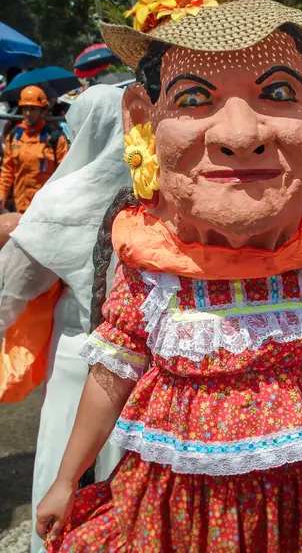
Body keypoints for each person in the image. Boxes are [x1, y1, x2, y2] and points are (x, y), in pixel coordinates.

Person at [35, 0, 302, 553]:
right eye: (194, 98)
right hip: (178, 502)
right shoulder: (148, 263)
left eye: (277, 93)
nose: (239, 134)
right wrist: (65, 479)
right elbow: (113, 373)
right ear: (142, 120)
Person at [0, 85, 129, 552]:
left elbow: (11, 289)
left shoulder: (60, 202)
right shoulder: (158, 194)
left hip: (79, 358)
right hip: (148, 365)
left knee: (66, 469)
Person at [0, 86, 68, 213]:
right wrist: (2, 194)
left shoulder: (55, 138)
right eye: (25, 108)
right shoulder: (14, 136)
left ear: (43, 111)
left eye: (33, 109)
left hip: (46, 209)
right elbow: (7, 170)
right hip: (21, 207)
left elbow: (65, 174)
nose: (28, 113)